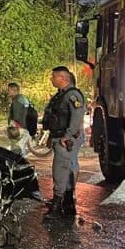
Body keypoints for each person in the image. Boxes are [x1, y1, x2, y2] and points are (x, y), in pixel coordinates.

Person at [43, 66, 86, 216]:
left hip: (65, 139)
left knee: (60, 171)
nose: (51, 79)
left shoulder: (73, 95)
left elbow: (76, 118)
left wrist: (67, 136)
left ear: (63, 78)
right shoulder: (60, 95)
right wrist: (50, 136)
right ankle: (67, 203)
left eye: (54, 77)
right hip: (59, 137)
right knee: (65, 170)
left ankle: (57, 205)